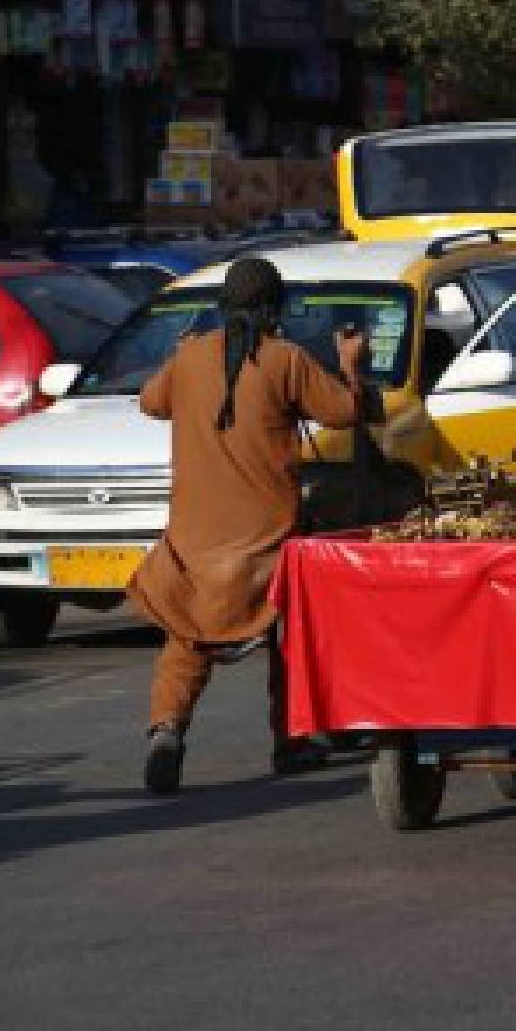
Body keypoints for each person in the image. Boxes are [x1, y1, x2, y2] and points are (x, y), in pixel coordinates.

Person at [129, 256, 367, 794]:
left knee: (186, 639)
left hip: (193, 543)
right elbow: (345, 413)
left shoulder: (190, 358)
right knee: (290, 636)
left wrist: (178, 358)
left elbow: (149, 402)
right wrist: (353, 364)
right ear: (273, 309)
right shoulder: (286, 360)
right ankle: (292, 741)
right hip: (267, 544)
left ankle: (166, 730)